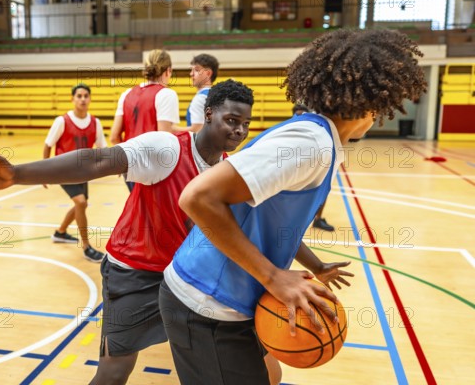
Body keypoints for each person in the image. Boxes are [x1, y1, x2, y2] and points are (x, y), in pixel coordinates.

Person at [158, 29, 427, 385]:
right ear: (369, 105)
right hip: (205, 298)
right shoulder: (311, 144)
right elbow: (196, 198)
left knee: (270, 374)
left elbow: (268, 220)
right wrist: (274, 277)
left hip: (229, 295)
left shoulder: (319, 140)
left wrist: (314, 265)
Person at [0, 79, 255, 385]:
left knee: (226, 362)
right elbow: (97, 160)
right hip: (134, 273)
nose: (239, 130)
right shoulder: (167, 148)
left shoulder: (227, 171)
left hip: (184, 277)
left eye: (245, 123)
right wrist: (18, 174)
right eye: (231, 120)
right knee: (113, 373)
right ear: (209, 113)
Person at [43, 83, 105, 262]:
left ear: (90, 99)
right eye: (79, 96)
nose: (83, 99)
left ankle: (60, 232)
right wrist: (45, 171)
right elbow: (48, 144)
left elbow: (102, 148)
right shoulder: (62, 121)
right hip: (63, 169)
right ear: (72, 99)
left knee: (81, 205)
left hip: (83, 172)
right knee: (81, 201)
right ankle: (86, 247)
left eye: (86, 95)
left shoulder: (95, 122)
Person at [109, 49, 180, 192]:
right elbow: (165, 138)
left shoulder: (126, 94)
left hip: (129, 165)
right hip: (152, 167)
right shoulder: (166, 94)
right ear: (168, 71)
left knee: (140, 212)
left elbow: (114, 136)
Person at [292, 103, 335, 232]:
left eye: (302, 113)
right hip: (296, 167)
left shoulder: (315, 127)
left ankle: (317, 219)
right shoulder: (291, 126)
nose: (299, 115)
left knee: (323, 191)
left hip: (315, 164)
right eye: (297, 113)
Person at [178, 53, 219, 133]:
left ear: (208, 73)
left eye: (196, 70)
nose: (191, 74)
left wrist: (171, 129)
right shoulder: (216, 95)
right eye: (191, 70)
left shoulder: (201, 98)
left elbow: (197, 131)